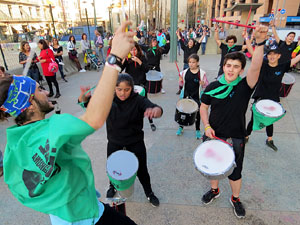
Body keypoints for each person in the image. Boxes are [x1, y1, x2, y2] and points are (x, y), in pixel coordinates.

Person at [0, 21, 137, 225]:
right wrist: (114, 58)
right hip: (88, 216)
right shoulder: (54, 127)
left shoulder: (13, 146)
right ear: (29, 105)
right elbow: (94, 118)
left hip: (61, 218)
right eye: (39, 90)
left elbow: (20, 188)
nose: (46, 92)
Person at [199, 25, 268, 219]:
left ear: (241, 70)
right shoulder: (212, 87)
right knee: (212, 168)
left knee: (235, 172)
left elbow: (256, 65)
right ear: (223, 66)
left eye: (236, 66)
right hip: (213, 134)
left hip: (236, 136)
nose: (231, 69)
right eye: (228, 65)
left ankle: (235, 199)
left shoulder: (245, 86)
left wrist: (260, 42)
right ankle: (214, 191)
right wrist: (206, 126)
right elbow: (203, 108)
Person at [79, 74, 163, 207]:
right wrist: (84, 95)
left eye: (126, 89)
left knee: (142, 170)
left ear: (132, 88)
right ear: (114, 88)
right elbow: (85, 103)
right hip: (114, 142)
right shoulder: (107, 99)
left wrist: (155, 111)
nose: (122, 93)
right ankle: (112, 187)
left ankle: (149, 192)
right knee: (112, 169)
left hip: (135, 143)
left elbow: (158, 109)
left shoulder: (139, 100)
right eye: (119, 89)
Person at [245, 46, 300, 151]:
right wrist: (247, 38)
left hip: (273, 99)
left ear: (279, 56)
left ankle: (269, 140)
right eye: (270, 54)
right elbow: (253, 53)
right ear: (267, 56)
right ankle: (246, 136)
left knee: (270, 121)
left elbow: (297, 58)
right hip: (260, 98)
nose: (272, 56)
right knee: (253, 120)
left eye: (275, 54)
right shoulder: (263, 65)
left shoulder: (282, 67)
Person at [121, 42, 157, 131]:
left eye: (135, 49)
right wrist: (123, 60)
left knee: (145, 104)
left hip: (141, 84)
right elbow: (120, 69)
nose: (133, 51)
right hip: (131, 85)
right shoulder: (128, 59)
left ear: (138, 50)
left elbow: (146, 69)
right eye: (131, 50)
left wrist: (139, 61)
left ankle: (151, 121)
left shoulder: (142, 58)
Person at [176, 54, 209, 139]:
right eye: (190, 62)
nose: (191, 64)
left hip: (196, 97)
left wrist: (203, 83)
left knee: (197, 114)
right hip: (186, 95)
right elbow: (181, 84)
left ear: (197, 62)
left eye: (193, 62)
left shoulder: (201, 73)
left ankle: (197, 130)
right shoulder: (184, 72)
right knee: (183, 112)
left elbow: (206, 85)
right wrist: (180, 81)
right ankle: (181, 127)